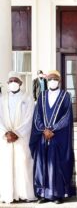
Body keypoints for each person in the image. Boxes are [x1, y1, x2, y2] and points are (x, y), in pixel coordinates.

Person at [29, 70, 75, 204]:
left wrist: (53, 129)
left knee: (57, 164)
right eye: (50, 79)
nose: (52, 81)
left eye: (55, 78)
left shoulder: (66, 96)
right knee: (42, 164)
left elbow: (66, 117)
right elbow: (37, 115)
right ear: (47, 80)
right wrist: (44, 130)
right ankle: (43, 194)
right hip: (43, 137)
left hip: (58, 137)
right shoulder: (41, 96)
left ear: (59, 81)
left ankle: (58, 194)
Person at [0, 72, 36, 203]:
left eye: (15, 80)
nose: (13, 82)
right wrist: (5, 133)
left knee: (24, 164)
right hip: (6, 139)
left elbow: (29, 118)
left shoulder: (28, 98)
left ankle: (25, 194)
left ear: (20, 83)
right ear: (8, 83)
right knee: (6, 166)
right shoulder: (2, 99)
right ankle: (8, 194)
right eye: (10, 80)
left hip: (22, 138)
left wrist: (17, 133)